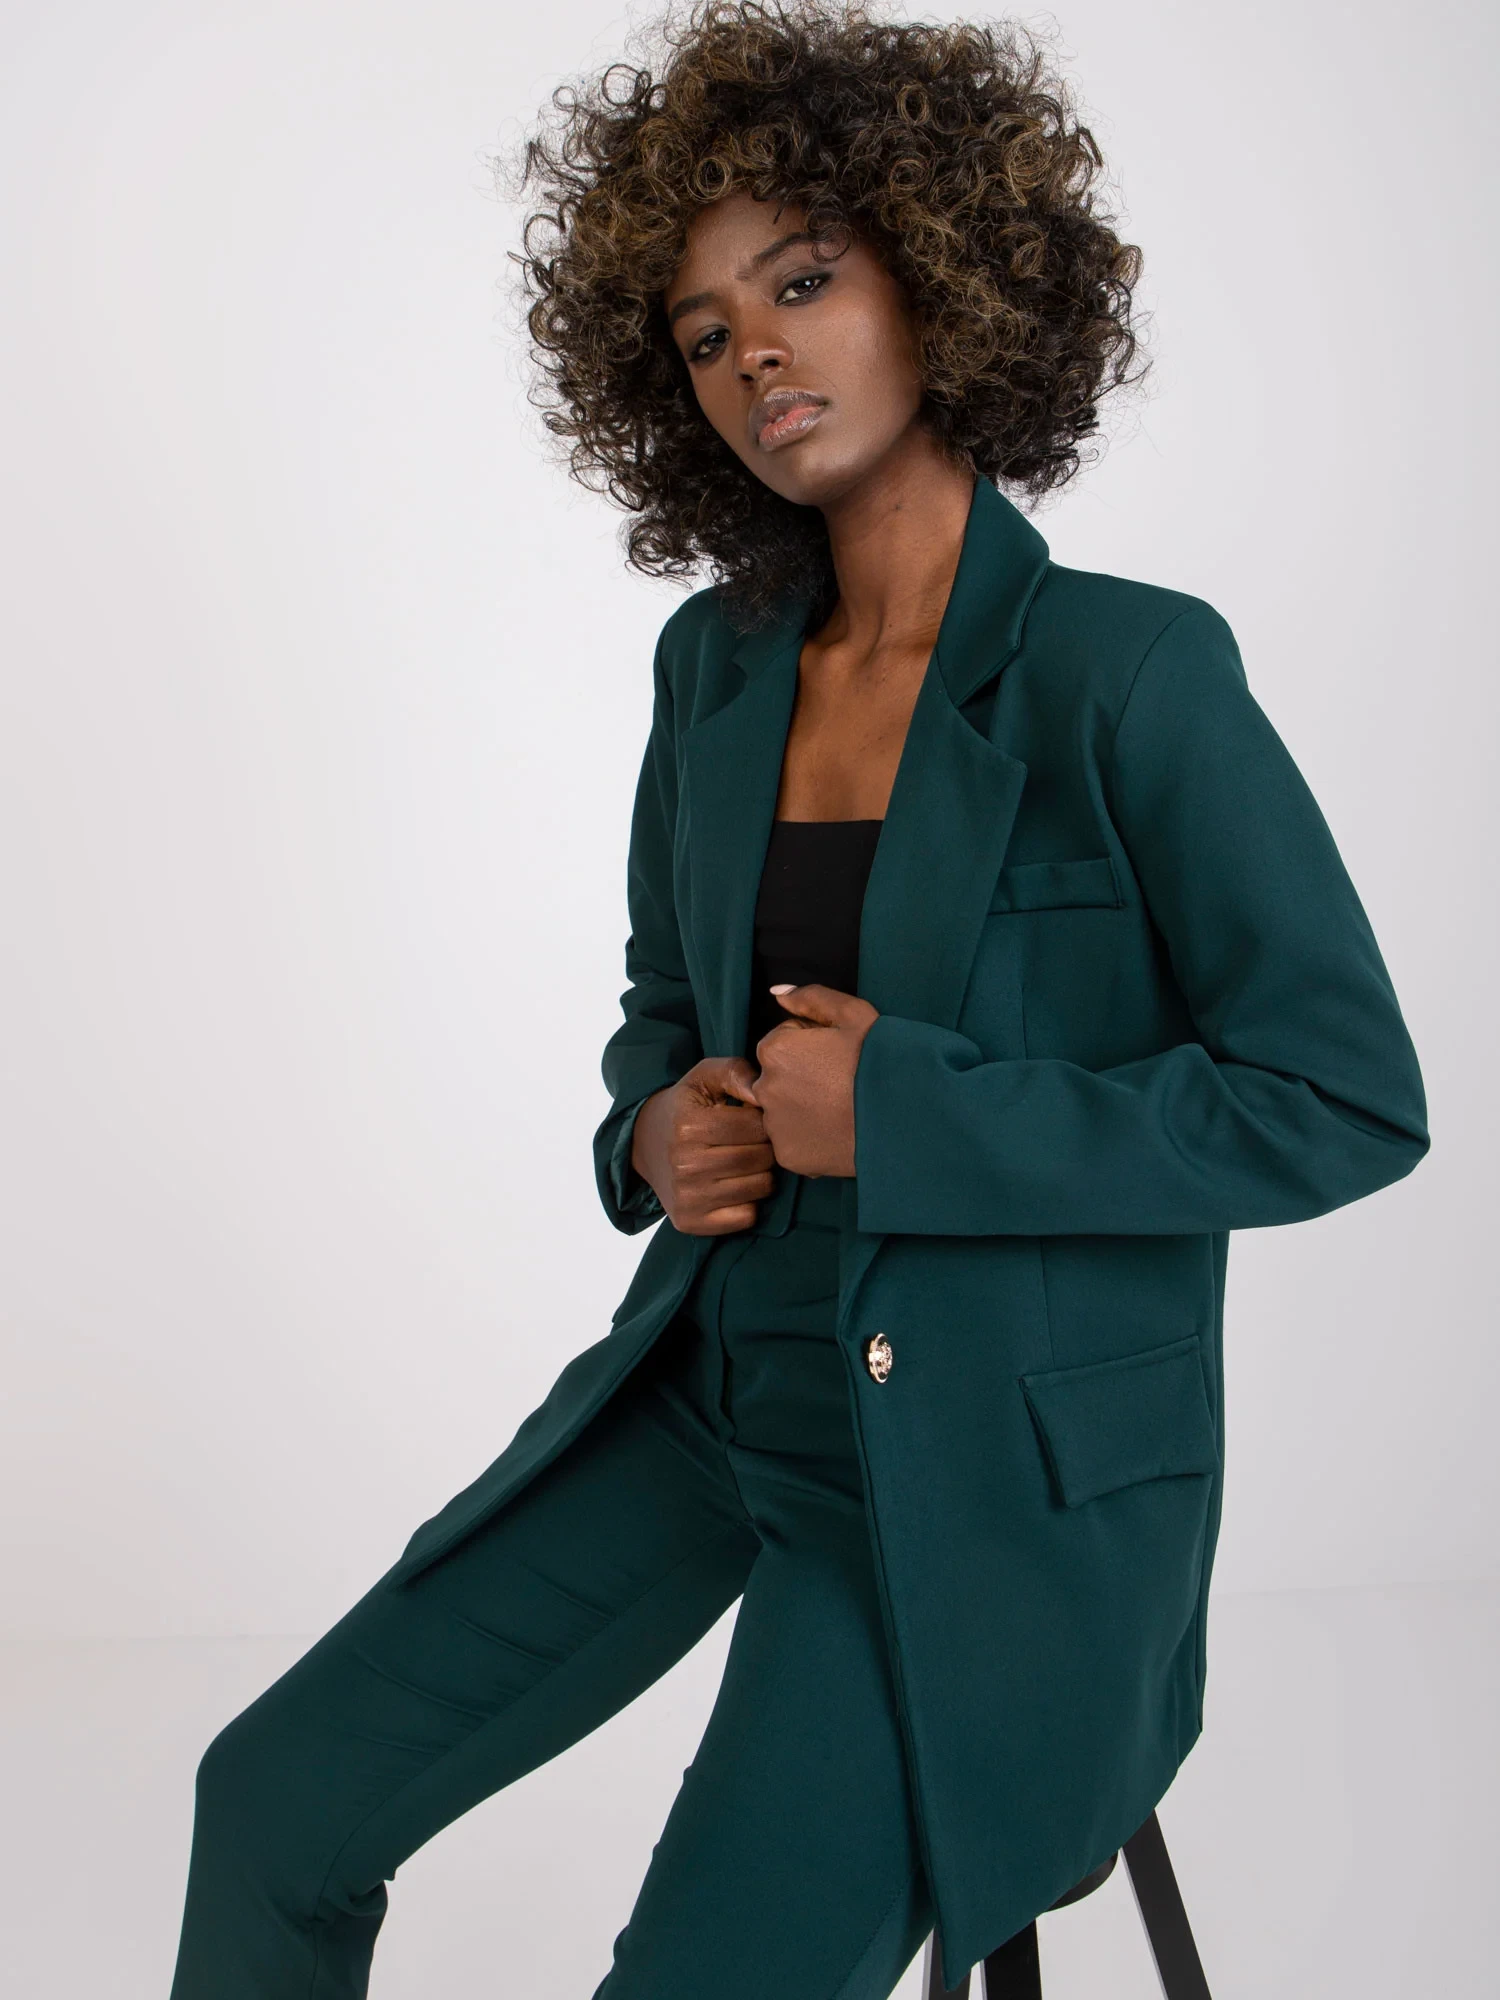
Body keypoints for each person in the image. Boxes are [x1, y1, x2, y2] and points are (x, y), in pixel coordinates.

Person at [166, 4, 1430, 1995]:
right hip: (706, 1396)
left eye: (804, 280)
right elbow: (662, 1002)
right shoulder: (717, 668)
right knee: (271, 1804)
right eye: (702, 330)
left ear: (945, 277)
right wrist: (650, 1128)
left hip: (976, 1479)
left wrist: (912, 1114)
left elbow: (1341, 1097)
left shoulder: (1129, 674)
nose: (754, 350)